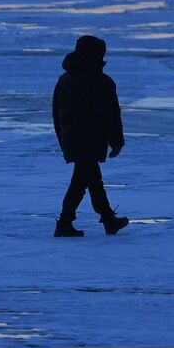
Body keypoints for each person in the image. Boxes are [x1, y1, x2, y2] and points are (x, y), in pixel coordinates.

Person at [52, 34, 129, 237]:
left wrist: (63, 138)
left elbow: (55, 112)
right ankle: (66, 223)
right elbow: (110, 115)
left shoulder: (64, 80)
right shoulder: (100, 82)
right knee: (82, 181)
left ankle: (107, 219)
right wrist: (117, 142)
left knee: (91, 180)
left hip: (71, 138)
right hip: (90, 139)